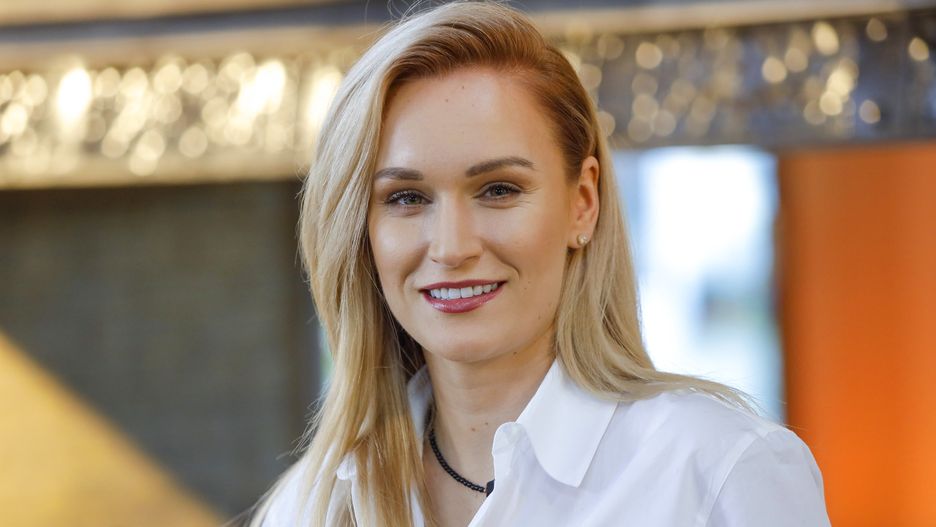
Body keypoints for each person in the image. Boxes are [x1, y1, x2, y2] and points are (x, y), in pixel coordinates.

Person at [248, 2, 831, 526]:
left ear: (584, 203)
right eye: (406, 197)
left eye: (498, 189)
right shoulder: (312, 506)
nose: (451, 247)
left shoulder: (720, 472)